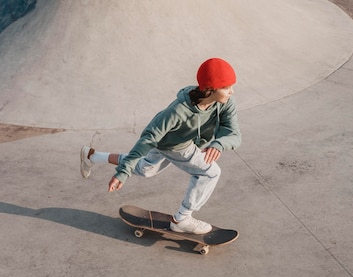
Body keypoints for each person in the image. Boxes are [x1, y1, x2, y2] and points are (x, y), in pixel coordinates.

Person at [80, 58, 241, 235]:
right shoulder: (178, 110)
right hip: (176, 146)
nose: (231, 92)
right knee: (211, 172)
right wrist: (122, 173)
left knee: (145, 169)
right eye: (226, 87)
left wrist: (219, 144)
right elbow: (148, 139)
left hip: (168, 143)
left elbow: (233, 133)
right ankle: (182, 219)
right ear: (210, 89)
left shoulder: (225, 103)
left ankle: (92, 156)